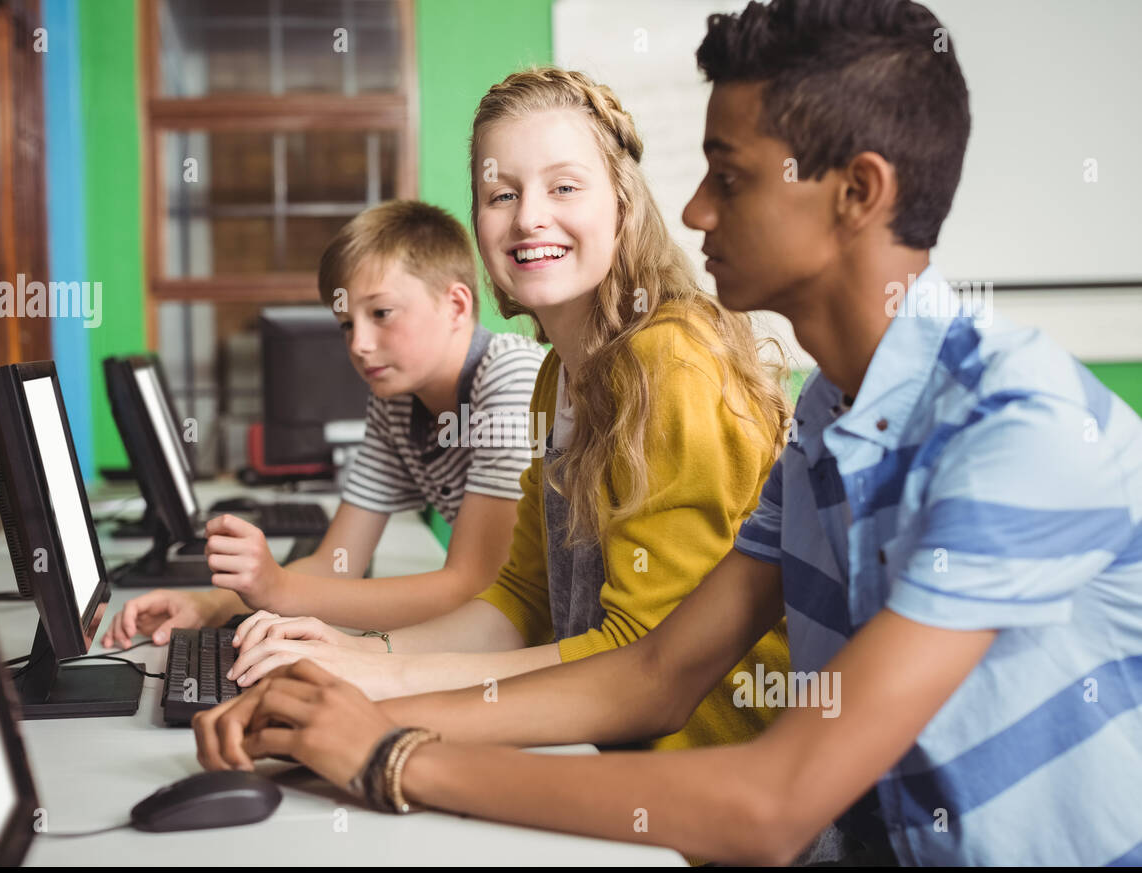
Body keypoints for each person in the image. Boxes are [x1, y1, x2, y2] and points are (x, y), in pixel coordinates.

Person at [193, 0, 1142, 866]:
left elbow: (772, 806)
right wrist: (354, 701)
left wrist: (393, 755)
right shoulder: (828, 420)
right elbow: (656, 672)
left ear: (858, 192)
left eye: (728, 178)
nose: (691, 210)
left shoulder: (1019, 429)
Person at [204, 66, 792, 756]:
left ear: (624, 206)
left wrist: (381, 677)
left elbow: (647, 656)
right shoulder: (556, 377)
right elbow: (521, 601)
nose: (529, 216)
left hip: (698, 792)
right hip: (600, 748)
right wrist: (357, 651)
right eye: (500, 194)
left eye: (564, 187)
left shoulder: (670, 362)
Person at [102, 200, 544, 645]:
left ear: (455, 305)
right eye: (346, 325)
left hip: (565, 646)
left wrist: (279, 588)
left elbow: (474, 586)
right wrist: (210, 606)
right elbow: (337, 561)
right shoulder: (396, 401)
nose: (360, 345)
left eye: (381, 313)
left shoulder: (511, 374)